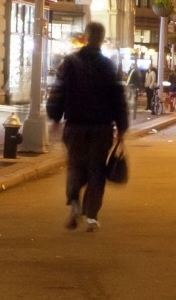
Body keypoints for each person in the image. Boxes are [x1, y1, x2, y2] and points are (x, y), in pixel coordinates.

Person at [47, 23, 129, 232]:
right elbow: (118, 98)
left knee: (75, 166)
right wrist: (122, 126)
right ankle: (91, 215)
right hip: (101, 128)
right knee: (96, 171)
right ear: (101, 39)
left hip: (75, 126)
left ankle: (74, 202)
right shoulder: (108, 66)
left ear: (85, 37)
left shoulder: (70, 63)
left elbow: (58, 92)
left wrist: (55, 117)